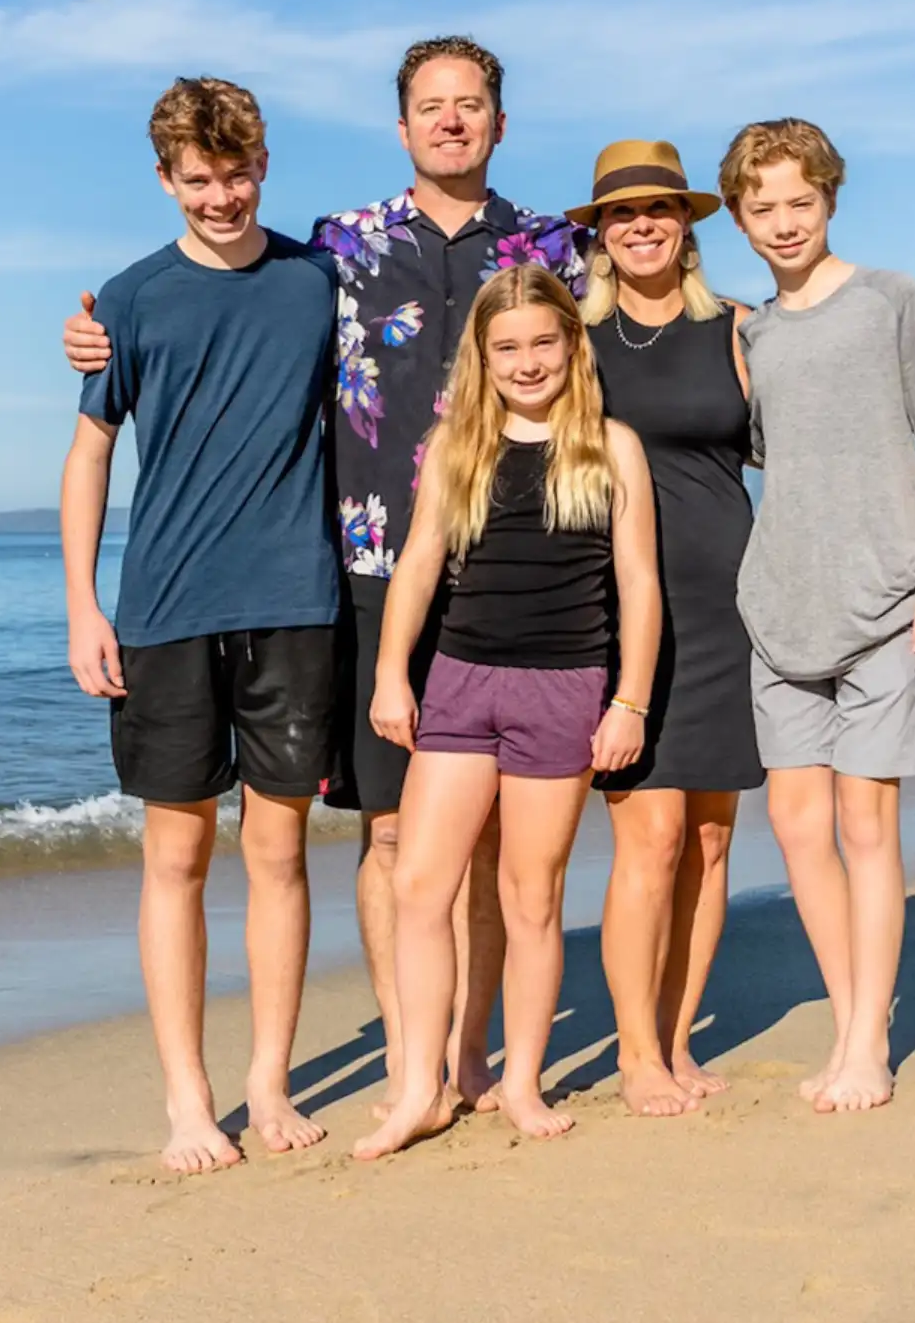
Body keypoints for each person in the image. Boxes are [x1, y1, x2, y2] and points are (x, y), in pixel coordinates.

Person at [60, 38, 584, 1116]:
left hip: (472, 576)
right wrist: (81, 600)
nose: (450, 120)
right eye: (430, 106)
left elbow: (617, 330)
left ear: (497, 119)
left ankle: (461, 1060)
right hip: (344, 574)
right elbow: (110, 421)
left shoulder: (523, 250)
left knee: (413, 844)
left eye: (469, 104)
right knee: (369, 834)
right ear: (400, 128)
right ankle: (386, 1071)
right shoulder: (336, 249)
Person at [61, 78, 342, 1172]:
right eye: (198, 180)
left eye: (237, 175)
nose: (221, 198)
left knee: (277, 850)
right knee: (175, 855)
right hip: (166, 610)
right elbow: (91, 455)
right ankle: (189, 1097)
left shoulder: (317, 283)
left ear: (263, 163)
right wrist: (85, 604)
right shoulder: (127, 303)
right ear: (165, 178)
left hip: (296, 601)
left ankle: (270, 1081)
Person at [352, 265, 661, 1159]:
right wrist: (390, 676)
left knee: (530, 899)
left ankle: (520, 1081)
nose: (527, 362)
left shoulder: (612, 445)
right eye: (507, 348)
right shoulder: (457, 445)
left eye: (542, 342)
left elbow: (639, 585)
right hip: (458, 679)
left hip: (563, 688)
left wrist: (628, 701)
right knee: (418, 883)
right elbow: (415, 567)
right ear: (481, 359)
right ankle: (422, 1084)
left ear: (571, 342)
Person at [718, 117, 915, 1113]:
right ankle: (846, 1020)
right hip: (780, 601)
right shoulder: (751, 335)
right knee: (793, 826)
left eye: (800, 201)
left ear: (830, 198)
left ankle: (868, 1042)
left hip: (885, 597)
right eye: (761, 206)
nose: (783, 222)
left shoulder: (890, 300)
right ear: (738, 216)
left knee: (867, 824)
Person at [566, 141, 764, 1118]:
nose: (642, 225)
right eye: (621, 214)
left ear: (686, 223)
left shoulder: (738, 328)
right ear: (598, 233)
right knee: (647, 840)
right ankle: (635, 1055)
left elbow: (800, 444)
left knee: (712, 842)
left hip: (734, 609)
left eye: (659, 209)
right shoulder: (573, 336)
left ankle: (678, 1041)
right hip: (623, 616)